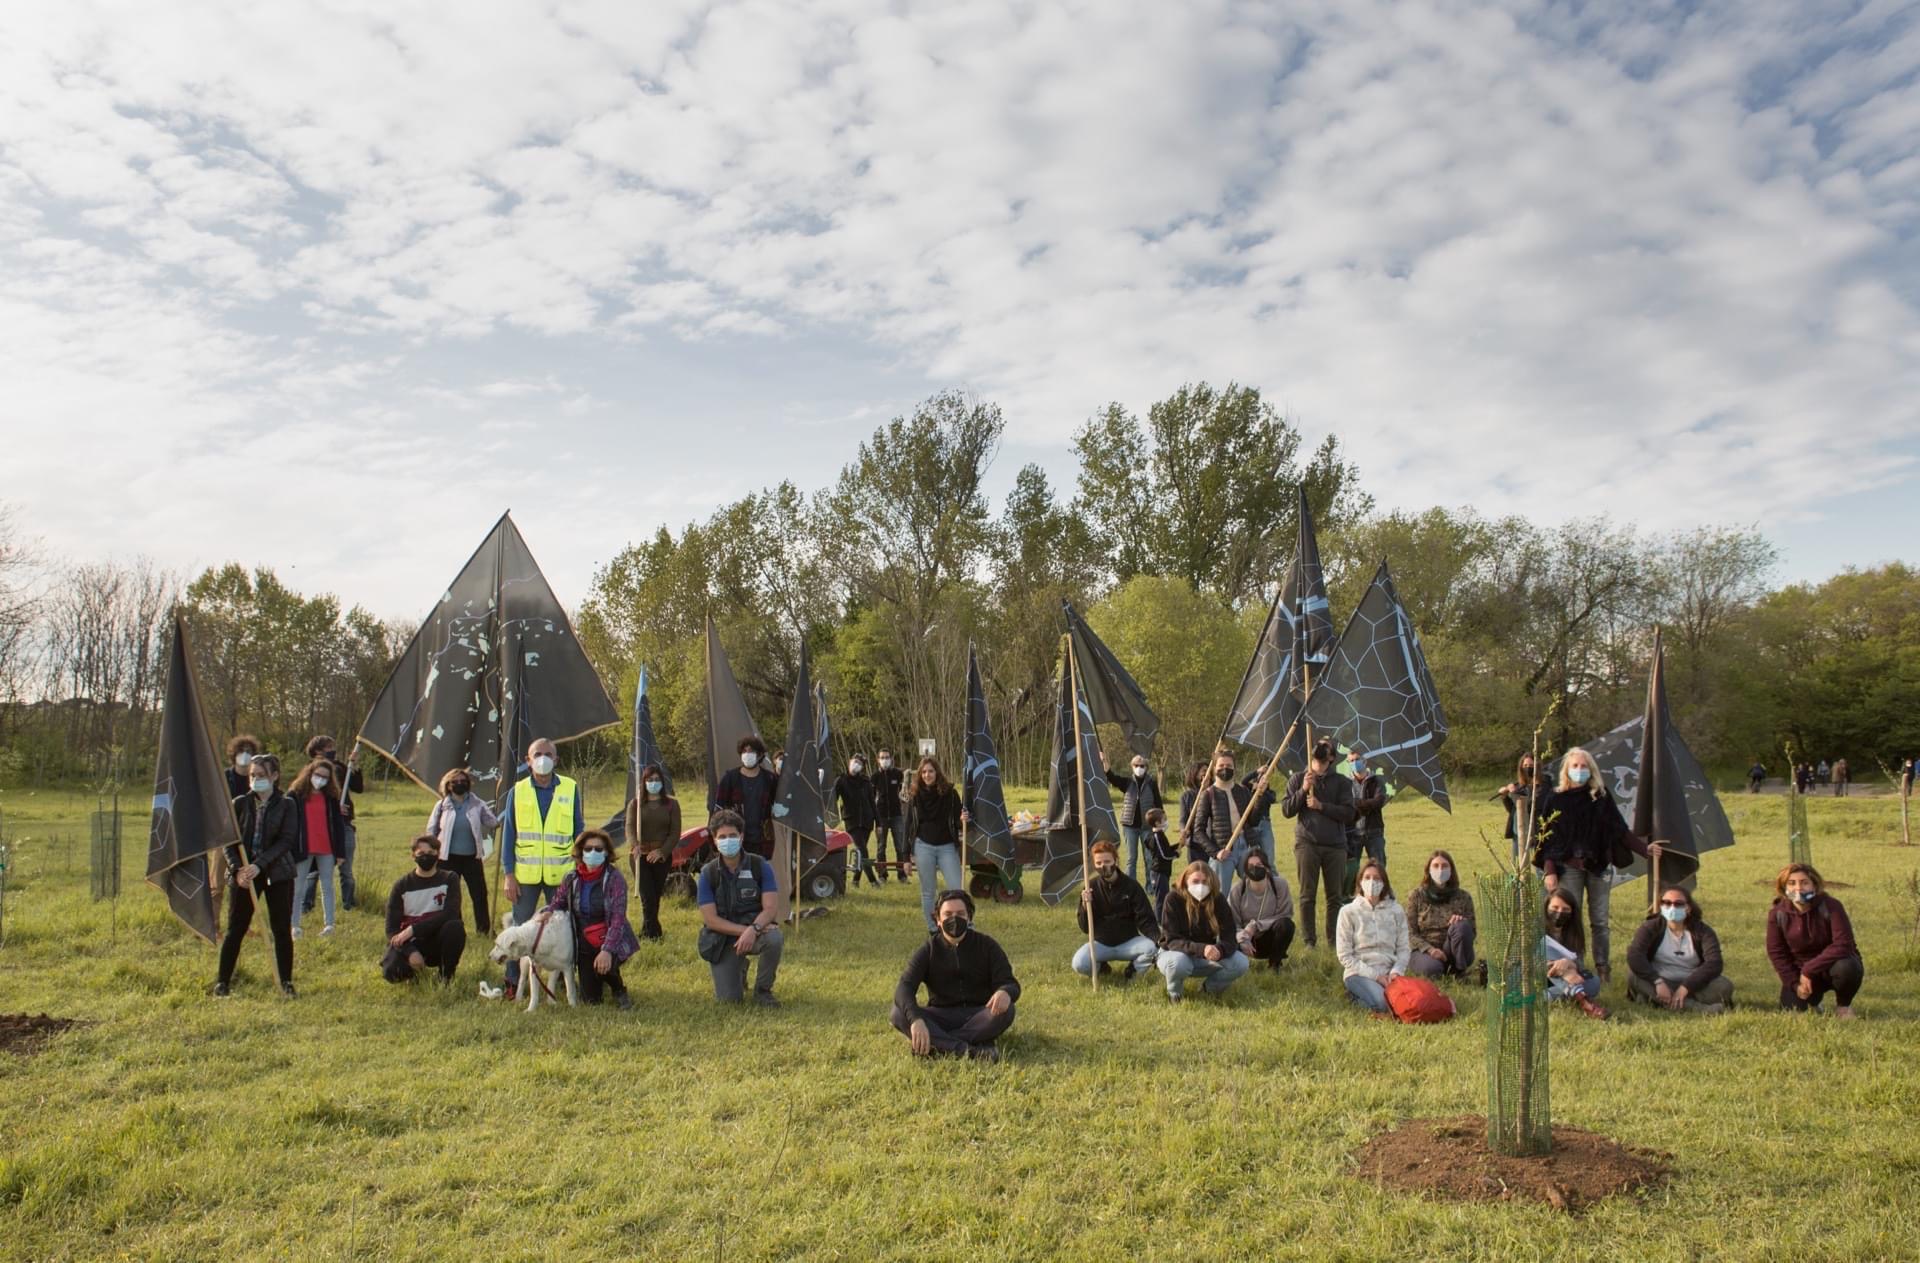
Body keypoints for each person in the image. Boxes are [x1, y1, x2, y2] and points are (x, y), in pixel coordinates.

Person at [1532, 746, 1667, 983]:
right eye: (1575, 766)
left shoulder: (1600, 797)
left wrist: (1645, 850)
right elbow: (1547, 838)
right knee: (1567, 917)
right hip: (1568, 867)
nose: (1580, 770)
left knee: (1600, 921)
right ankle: (1572, 964)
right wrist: (1549, 870)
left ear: (1591, 769)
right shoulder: (1555, 798)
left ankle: (1603, 968)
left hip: (1598, 867)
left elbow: (1620, 830)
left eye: (1584, 766)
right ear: (1567, 769)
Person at [499, 737, 584, 1000]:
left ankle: (562, 979)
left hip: (561, 876)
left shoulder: (570, 788)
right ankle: (514, 982)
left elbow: (578, 831)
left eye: (548, 754)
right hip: (525, 877)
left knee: (564, 930)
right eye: (537, 754)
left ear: (556, 760)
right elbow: (509, 835)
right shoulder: (518, 791)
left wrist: (581, 868)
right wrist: (509, 874)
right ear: (528, 760)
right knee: (520, 931)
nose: (543, 758)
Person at [891, 889, 1018, 1061]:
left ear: (969, 917)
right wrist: (916, 1020)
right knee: (898, 1013)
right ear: (938, 920)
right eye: (948, 914)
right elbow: (904, 988)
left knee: (1006, 1010)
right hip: (941, 1014)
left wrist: (1005, 992)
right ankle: (972, 1051)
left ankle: (938, 1046)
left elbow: (1010, 983)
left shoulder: (987, 946)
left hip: (979, 1014)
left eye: (960, 913)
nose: (954, 919)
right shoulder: (928, 950)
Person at [214, 754, 299, 998]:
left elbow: (286, 840)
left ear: (274, 776)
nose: (256, 780)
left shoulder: (287, 805)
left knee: (281, 929)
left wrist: (259, 865)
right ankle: (223, 982)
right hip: (244, 876)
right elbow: (228, 842)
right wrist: (237, 870)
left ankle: (286, 982)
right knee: (236, 929)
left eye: (261, 776)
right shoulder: (239, 804)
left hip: (277, 874)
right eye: (252, 775)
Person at [540, 829, 639, 1008]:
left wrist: (607, 950)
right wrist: (547, 912)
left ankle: (618, 988)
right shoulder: (571, 877)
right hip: (583, 942)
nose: (593, 853)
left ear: (607, 852)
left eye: (599, 849)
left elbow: (618, 918)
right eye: (588, 848)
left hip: (610, 937)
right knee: (591, 1000)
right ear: (580, 851)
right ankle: (597, 975)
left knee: (604, 965)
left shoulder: (615, 879)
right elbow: (558, 901)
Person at [695, 811, 784, 1005]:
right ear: (715, 840)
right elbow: (711, 920)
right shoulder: (707, 873)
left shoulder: (759, 865)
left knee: (774, 938)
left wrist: (754, 929)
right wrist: (746, 931)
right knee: (729, 1001)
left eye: (733, 836)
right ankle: (739, 967)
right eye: (723, 837)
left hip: (755, 930)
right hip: (722, 939)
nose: (728, 841)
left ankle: (763, 992)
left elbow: (770, 908)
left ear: (742, 837)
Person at [1282, 739, 1356, 951]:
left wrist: (1321, 806)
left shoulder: (1342, 782)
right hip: (1307, 844)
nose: (1318, 763)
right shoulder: (1297, 779)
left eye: (1323, 760)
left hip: (1335, 846)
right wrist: (1304, 789)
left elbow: (1349, 814)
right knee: (1307, 895)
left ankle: (1333, 941)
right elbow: (1287, 810)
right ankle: (1309, 941)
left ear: (1331, 759)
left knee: (1335, 896)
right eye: (1315, 759)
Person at [1766, 862, 1863, 1018]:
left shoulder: (1832, 906)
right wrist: (1794, 983)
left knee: (1847, 966)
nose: (1798, 888)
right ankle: (1814, 1002)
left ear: (1814, 885)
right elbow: (1777, 953)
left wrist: (1809, 969)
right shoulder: (1777, 914)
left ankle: (1843, 1006)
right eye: (1791, 883)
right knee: (1792, 1013)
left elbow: (1844, 944)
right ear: (1784, 888)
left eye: (1804, 883)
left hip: (1833, 965)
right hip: (1800, 973)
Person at [1625, 886, 1733, 1013]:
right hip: (1659, 980)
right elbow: (1635, 956)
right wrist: (1658, 982)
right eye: (1666, 903)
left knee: (1724, 986)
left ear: (1688, 908)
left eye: (1678, 904)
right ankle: (1701, 1009)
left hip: (1693, 984)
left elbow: (1714, 963)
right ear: (1661, 906)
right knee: (1634, 976)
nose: (1672, 907)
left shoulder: (1703, 931)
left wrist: (1685, 988)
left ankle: (1653, 1000)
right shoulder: (1650, 927)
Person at [1186, 746, 1275, 899]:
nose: (1225, 769)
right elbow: (1198, 830)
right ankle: (1220, 923)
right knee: (1218, 896)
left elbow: (1252, 821)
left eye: (1229, 766)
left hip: (1246, 846)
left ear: (1234, 768)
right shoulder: (1208, 795)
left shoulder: (1243, 791)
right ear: (1214, 768)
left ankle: (1249, 922)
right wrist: (1215, 852)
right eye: (1221, 766)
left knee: (1254, 890)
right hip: (1223, 849)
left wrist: (1259, 796)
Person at [1156, 860, 1251, 1001]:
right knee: (1178, 963)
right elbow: (1171, 940)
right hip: (1175, 954)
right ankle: (1175, 993)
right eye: (1195, 881)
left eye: (1204, 881)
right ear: (1186, 880)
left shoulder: (1218, 900)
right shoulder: (1173, 899)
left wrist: (1220, 949)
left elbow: (1230, 936)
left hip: (1206, 957)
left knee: (1241, 962)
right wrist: (1202, 949)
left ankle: (1208, 990)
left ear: (1211, 882)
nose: (1200, 886)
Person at [381, 834, 466, 984]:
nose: (426, 858)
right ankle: (413, 973)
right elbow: (391, 930)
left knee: (455, 927)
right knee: (392, 972)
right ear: (413, 855)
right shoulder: (401, 886)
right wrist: (410, 951)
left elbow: (450, 913)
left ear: (438, 855)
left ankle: (446, 976)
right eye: (421, 854)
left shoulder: (450, 879)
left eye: (430, 853)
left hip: (437, 939)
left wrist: (414, 929)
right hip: (411, 942)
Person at [1072, 839, 1159, 979]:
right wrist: (1085, 906)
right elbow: (1085, 928)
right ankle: (1102, 969)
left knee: (1152, 949)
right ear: (1094, 865)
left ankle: (1132, 972)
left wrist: (1157, 938)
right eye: (1098, 863)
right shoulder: (1089, 887)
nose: (1103, 866)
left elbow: (1145, 918)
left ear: (1116, 860)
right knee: (1079, 963)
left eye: (1107, 861)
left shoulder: (1132, 886)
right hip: (1101, 943)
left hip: (1128, 942)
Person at [426, 767, 497, 935]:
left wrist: (502, 814)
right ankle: (455, 928)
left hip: (472, 857)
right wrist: (431, 851)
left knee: (479, 894)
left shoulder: (476, 803)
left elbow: (492, 821)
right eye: (455, 782)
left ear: (468, 783)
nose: (459, 784)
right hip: (447, 858)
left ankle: (484, 929)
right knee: (451, 895)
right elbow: (431, 830)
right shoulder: (442, 805)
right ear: (448, 785)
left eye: (463, 781)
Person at [904, 756, 969, 933]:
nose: (927, 775)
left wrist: (962, 818)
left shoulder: (950, 793)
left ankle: (964, 926)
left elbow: (957, 819)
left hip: (947, 846)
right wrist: (906, 857)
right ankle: (934, 929)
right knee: (928, 892)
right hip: (923, 846)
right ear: (919, 774)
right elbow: (908, 825)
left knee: (957, 889)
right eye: (923, 772)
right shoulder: (915, 795)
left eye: (930, 771)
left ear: (937, 772)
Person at [1335, 861, 1410, 1012]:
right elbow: (1345, 955)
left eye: (1377, 878)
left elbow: (1404, 948)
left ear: (1384, 882)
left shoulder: (1396, 910)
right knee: (1383, 1005)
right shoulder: (1348, 912)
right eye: (1367, 877)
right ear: (1360, 881)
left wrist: (1396, 972)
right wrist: (1376, 977)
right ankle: (1354, 997)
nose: (1372, 882)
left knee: (1407, 1004)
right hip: (1360, 972)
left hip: (1390, 973)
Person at [303, 735, 364, 911]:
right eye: (328, 747)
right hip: (320, 826)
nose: (332, 750)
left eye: (332, 746)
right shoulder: (309, 771)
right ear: (317, 751)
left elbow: (358, 787)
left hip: (344, 824)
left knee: (346, 869)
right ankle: (306, 905)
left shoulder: (340, 767)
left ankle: (348, 904)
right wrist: (333, 809)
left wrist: (355, 765)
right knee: (313, 870)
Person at [288, 757, 345, 940]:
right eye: (318, 775)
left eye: (325, 777)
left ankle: (329, 925)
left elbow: (338, 825)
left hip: (326, 848)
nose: (320, 779)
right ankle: (294, 925)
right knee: (297, 887)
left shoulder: (331, 797)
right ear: (309, 773)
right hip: (303, 848)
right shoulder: (295, 795)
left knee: (327, 886)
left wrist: (341, 852)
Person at [622, 763, 680, 940]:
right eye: (649, 780)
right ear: (644, 782)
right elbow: (630, 827)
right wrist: (635, 845)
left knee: (655, 896)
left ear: (662, 782)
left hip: (661, 857)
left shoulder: (672, 804)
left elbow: (675, 832)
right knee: (647, 896)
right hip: (640, 856)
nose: (653, 783)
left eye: (656, 780)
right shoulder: (636, 804)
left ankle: (649, 930)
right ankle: (652, 934)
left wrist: (662, 852)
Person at [1405, 849, 1476, 980]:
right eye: (1436, 866)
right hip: (1424, 950)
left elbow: (1472, 931)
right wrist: (1430, 950)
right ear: (1429, 870)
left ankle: (1459, 971)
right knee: (1432, 969)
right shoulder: (1416, 896)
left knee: (1462, 926)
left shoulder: (1463, 897)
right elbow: (1409, 933)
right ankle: (1440, 967)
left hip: (1452, 949)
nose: (1440, 870)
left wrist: (1462, 921)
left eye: (1444, 866)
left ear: (1451, 870)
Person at [1542, 888, 1609, 1019]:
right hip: (1541, 978)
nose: (1559, 913)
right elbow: (1531, 964)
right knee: (1543, 949)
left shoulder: (1574, 931)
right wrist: (1557, 966)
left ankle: (1548, 997)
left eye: (1565, 910)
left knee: (1594, 982)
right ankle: (1583, 1000)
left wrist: (1567, 963)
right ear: (1546, 907)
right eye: (1555, 907)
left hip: (1564, 980)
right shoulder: (1535, 930)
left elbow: (1579, 964)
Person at [1229, 846, 1294, 970]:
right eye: (1250, 866)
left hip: (1268, 937)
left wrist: (1255, 925)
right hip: (1244, 940)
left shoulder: (1280, 885)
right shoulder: (1237, 889)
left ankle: (1275, 964)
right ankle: (1235, 965)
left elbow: (1285, 914)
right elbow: (1231, 922)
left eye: (1259, 864)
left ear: (1266, 867)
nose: (1255, 868)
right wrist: (1243, 937)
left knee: (1286, 925)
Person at [713, 736, 778, 859]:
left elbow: (780, 805)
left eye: (751, 751)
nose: (747, 754)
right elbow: (717, 810)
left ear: (759, 755)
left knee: (758, 874)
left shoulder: (769, 779)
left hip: (762, 840)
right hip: (735, 839)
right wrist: (716, 837)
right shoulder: (730, 778)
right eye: (744, 751)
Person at [1104, 751, 1163, 883]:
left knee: (1149, 858)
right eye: (1136, 765)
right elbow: (1112, 778)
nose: (1139, 768)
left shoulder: (1152, 783)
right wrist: (1105, 766)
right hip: (1129, 827)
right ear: (1132, 766)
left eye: (1142, 766)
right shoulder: (1127, 782)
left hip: (1147, 827)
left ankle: (1151, 887)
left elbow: (1158, 804)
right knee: (1131, 859)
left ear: (1146, 767)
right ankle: (1131, 887)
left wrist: (1160, 823)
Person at [832, 753, 880, 888]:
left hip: (867, 821)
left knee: (860, 852)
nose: (856, 764)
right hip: (851, 821)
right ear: (849, 762)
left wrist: (879, 823)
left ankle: (855, 880)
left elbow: (872, 803)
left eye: (860, 763)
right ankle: (873, 881)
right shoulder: (841, 780)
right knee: (862, 850)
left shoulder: (866, 781)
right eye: (855, 761)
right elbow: (832, 800)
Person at [1346, 751, 1388, 891]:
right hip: (1353, 833)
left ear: (1365, 761)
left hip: (1374, 831)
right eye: (1351, 761)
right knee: (1351, 870)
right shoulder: (1346, 783)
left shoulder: (1377, 781)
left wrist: (1356, 804)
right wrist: (1366, 804)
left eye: (1357, 759)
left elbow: (1379, 801)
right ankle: (1351, 899)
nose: (1354, 763)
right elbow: (1345, 804)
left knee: (1379, 868)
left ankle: (1382, 896)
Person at [1500, 753, 1550, 855]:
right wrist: (1505, 797)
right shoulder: (1519, 785)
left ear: (1537, 767)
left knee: (1539, 865)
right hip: (1518, 830)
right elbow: (1513, 810)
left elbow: (1533, 805)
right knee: (1518, 865)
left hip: (1536, 830)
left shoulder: (1545, 784)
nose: (1528, 768)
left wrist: (1514, 793)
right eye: (1525, 766)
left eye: (1531, 766)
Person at [870, 747, 908, 880]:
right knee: (881, 847)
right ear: (878, 760)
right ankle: (882, 874)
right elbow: (871, 797)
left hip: (897, 815)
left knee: (900, 846)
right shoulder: (874, 777)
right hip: (881, 816)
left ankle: (902, 874)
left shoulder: (898, 774)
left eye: (887, 757)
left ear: (891, 759)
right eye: (882, 758)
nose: (885, 760)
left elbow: (904, 791)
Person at [1141, 806, 1177, 914]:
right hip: (1159, 872)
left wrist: (1180, 844)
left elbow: (1167, 849)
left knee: (1164, 895)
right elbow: (1164, 855)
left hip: (1164, 871)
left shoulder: (1160, 835)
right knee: (1161, 897)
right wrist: (1176, 854)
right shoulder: (1156, 837)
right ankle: (1159, 920)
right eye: (1164, 819)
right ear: (1157, 823)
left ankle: (1161, 916)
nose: (1166, 822)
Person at [225, 734, 260, 800]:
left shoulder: (258, 777)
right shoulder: (224, 777)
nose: (244, 754)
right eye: (240, 751)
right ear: (234, 754)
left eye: (248, 751)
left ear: (253, 754)